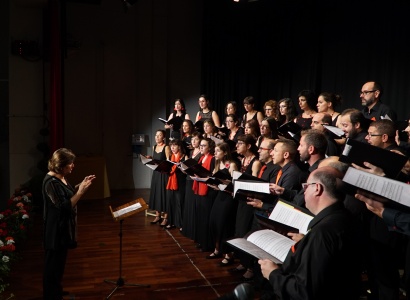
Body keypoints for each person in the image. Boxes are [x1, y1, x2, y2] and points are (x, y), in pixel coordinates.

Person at [259, 167, 361, 300]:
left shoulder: (322, 232)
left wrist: (273, 273)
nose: (304, 192)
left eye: (306, 186)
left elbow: (304, 292)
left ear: (317, 188)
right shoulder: (345, 217)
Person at [42, 148, 96, 300]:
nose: (73, 166)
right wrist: (81, 193)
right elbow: (64, 206)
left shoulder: (61, 178)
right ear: (61, 166)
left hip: (63, 229)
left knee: (59, 265)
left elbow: (68, 192)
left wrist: (81, 184)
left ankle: (57, 290)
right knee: (52, 266)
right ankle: (51, 295)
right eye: (70, 164)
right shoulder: (50, 183)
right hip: (55, 231)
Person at [207, 143, 238, 264]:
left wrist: (222, 183)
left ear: (225, 152)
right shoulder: (217, 163)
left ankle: (228, 254)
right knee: (213, 222)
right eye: (214, 151)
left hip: (228, 197)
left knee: (224, 224)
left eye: (217, 151)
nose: (215, 153)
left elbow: (235, 184)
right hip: (219, 195)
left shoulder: (232, 164)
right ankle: (217, 248)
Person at [181, 132, 202, 240]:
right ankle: (187, 229)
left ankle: (194, 231)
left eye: (196, 140)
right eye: (192, 140)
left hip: (195, 181)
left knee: (194, 205)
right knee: (188, 204)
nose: (193, 142)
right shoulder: (191, 152)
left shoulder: (201, 153)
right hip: (188, 179)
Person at [148, 130, 171, 226]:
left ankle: (165, 217)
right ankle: (157, 216)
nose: (157, 137)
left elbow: (169, 162)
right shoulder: (154, 147)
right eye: (156, 135)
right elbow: (154, 159)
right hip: (156, 173)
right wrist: (150, 159)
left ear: (163, 137)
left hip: (163, 174)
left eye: (159, 135)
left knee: (164, 195)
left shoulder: (166, 147)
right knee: (156, 193)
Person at [164, 139, 187, 230]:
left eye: (174, 145)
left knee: (179, 203)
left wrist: (181, 167)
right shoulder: (170, 157)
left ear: (179, 147)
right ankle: (171, 222)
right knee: (170, 202)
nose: (172, 148)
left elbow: (186, 172)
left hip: (180, 183)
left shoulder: (184, 157)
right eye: (171, 146)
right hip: (171, 182)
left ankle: (180, 224)